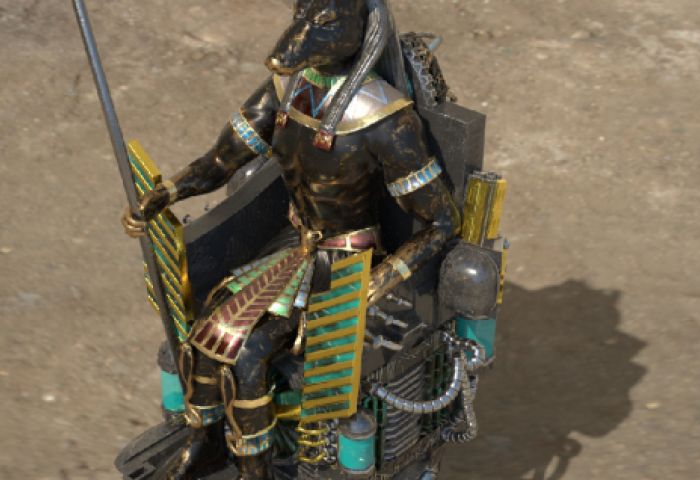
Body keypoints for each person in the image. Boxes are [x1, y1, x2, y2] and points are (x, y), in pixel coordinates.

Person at [122, 1, 460, 478]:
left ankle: (255, 470)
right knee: (206, 331)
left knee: (249, 352)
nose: (299, 34)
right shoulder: (287, 90)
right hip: (294, 247)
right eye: (300, 13)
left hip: (348, 264)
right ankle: (206, 444)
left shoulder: (386, 118)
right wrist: (167, 193)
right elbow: (221, 161)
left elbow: (441, 221)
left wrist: (382, 278)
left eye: (323, 22)